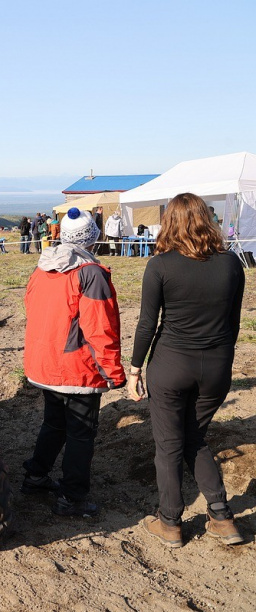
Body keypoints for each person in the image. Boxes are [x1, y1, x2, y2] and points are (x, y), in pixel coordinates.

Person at [129, 193, 245, 548]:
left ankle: (170, 523)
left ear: (169, 223)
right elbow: (234, 324)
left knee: (168, 446)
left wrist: (134, 370)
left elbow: (147, 324)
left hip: (170, 365)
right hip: (216, 366)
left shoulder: (160, 265)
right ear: (207, 220)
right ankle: (222, 517)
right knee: (196, 438)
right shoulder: (231, 264)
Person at [21, 207, 125, 517]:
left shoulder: (41, 268)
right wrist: (113, 371)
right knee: (81, 432)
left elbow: (31, 309)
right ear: (92, 237)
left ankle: (36, 476)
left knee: (54, 422)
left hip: (45, 362)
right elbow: (101, 328)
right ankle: (73, 496)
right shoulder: (91, 273)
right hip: (77, 368)